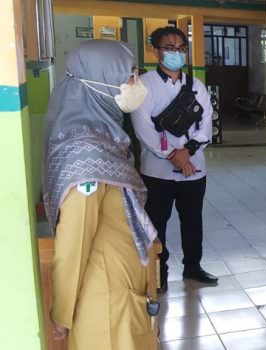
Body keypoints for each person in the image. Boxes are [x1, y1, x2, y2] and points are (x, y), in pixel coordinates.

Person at [45, 39, 158, 349]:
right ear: (101, 84)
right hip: (106, 299)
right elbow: (75, 239)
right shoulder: (86, 154)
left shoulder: (105, 137)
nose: (136, 83)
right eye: (129, 75)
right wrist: (61, 313)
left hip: (119, 287)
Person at [131, 26, 216, 292]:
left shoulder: (196, 86)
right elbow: (143, 129)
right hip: (157, 172)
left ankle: (193, 267)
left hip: (193, 168)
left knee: (192, 219)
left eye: (180, 48)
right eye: (169, 48)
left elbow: (206, 123)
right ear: (155, 51)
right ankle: (160, 272)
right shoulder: (143, 86)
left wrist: (186, 152)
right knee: (157, 222)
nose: (175, 53)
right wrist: (173, 156)